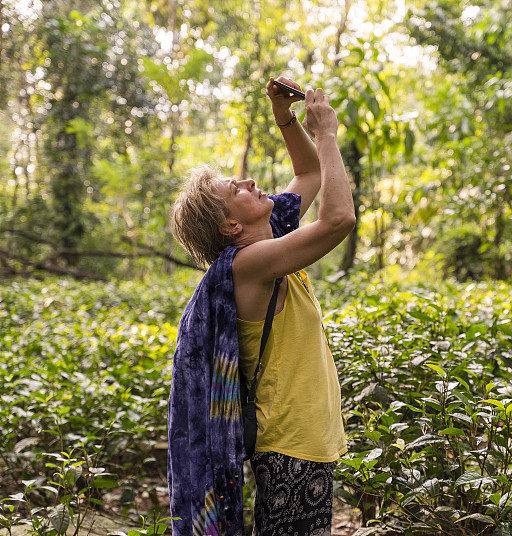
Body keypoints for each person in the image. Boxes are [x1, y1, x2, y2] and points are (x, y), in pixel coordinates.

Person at [168, 76, 355, 536]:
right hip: (289, 444)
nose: (251, 182)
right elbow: (338, 219)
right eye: (238, 190)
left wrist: (285, 118)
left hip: (301, 441)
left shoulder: (271, 244)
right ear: (231, 226)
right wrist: (326, 134)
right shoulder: (248, 265)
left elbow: (310, 176)